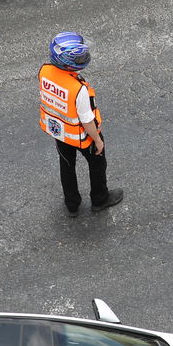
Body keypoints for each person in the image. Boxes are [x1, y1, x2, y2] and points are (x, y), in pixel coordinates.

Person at [39, 32, 123, 216]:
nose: (84, 58)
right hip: (83, 136)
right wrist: (97, 140)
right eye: (79, 56)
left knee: (66, 165)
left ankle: (72, 204)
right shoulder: (79, 89)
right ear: (68, 62)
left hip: (60, 132)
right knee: (97, 164)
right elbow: (86, 120)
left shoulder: (45, 72)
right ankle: (100, 199)